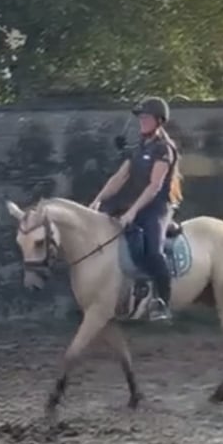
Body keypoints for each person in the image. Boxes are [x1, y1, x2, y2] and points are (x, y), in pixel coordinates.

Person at [90, 96, 183, 321]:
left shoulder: (164, 149)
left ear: (159, 121)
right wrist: (98, 201)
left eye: (146, 118)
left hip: (156, 207)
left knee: (153, 251)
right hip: (137, 203)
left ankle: (162, 303)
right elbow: (120, 177)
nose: (142, 121)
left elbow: (155, 186)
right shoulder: (139, 147)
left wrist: (132, 212)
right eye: (140, 118)